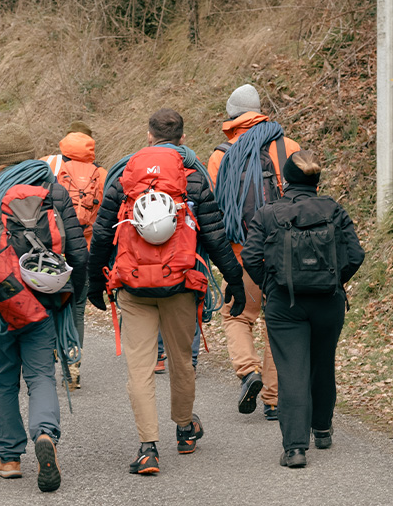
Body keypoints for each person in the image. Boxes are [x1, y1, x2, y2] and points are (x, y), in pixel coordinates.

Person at [87, 108, 246, 475]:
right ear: (182, 140)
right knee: (181, 361)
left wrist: (95, 283)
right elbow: (214, 234)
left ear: (148, 136)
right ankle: (185, 429)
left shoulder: (124, 175)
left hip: (132, 286)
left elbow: (100, 236)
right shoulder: (191, 177)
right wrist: (234, 279)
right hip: (180, 284)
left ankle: (147, 448)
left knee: (139, 368)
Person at [0, 122, 88, 493]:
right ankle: (46, 435)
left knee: (5, 377)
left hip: (2, 299)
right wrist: (73, 293)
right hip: (45, 295)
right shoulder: (54, 190)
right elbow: (79, 253)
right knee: (40, 376)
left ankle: (9, 457)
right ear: (30, 154)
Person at [241, 150, 365, 468]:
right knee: (322, 363)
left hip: (285, 303)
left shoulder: (268, 213)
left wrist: (272, 286)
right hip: (328, 302)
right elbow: (355, 254)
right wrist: (334, 281)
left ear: (285, 180)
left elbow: (252, 257)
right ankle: (322, 430)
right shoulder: (333, 209)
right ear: (317, 180)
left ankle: (295, 448)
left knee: (292, 371)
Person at [205, 83, 301, 421]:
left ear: (231, 117)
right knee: (276, 323)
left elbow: (213, 209)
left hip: (242, 251)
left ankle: (248, 374)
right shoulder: (288, 147)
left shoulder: (220, 155)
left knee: (237, 316)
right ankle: (274, 401)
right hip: (285, 251)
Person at [40, 121, 107, 390]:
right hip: (86, 251)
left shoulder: (49, 166)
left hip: (54, 250)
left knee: (49, 306)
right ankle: (73, 365)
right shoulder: (101, 173)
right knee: (78, 309)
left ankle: (48, 356)